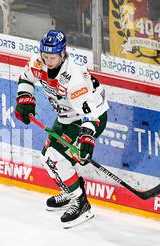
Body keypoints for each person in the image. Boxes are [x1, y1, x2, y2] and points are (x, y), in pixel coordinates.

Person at [14, 30, 109, 228]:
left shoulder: (74, 79)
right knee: (46, 159)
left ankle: (81, 203)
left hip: (90, 118)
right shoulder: (37, 62)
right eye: (45, 56)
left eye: (52, 57)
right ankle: (71, 190)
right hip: (66, 117)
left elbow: (90, 114)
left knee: (54, 158)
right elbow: (26, 78)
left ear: (62, 54)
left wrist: (86, 138)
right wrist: (25, 99)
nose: (48, 61)